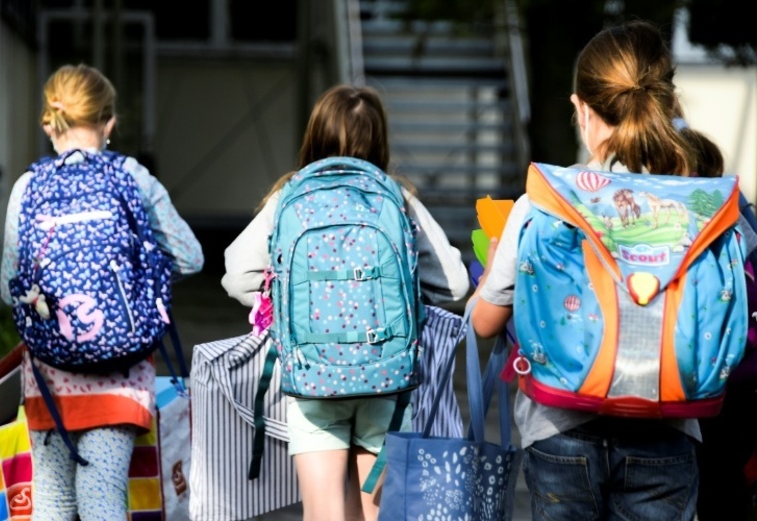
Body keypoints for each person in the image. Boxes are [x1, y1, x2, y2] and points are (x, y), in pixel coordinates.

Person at [470, 20, 757, 521]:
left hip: (559, 428)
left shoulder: (543, 202)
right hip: (668, 427)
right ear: (666, 103)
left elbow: (483, 322)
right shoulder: (709, 206)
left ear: (581, 109)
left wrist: (492, 271)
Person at [221, 84, 470, 521]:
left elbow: (237, 272)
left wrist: (281, 305)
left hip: (312, 376)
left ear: (314, 136)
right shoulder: (396, 198)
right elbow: (455, 284)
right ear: (380, 140)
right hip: (386, 377)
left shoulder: (289, 197)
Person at [0, 63, 204, 520]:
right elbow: (191, 257)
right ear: (109, 123)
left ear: (49, 123)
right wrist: (136, 280)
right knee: (103, 498)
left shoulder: (28, 187)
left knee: (52, 503)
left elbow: (8, 288)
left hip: (49, 375)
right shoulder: (133, 177)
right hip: (120, 374)